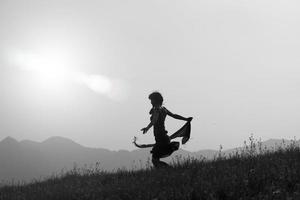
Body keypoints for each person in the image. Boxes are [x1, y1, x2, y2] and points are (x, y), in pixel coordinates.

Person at [134, 91, 193, 168]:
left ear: (156, 100)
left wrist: (147, 128)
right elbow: (174, 115)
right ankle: (169, 171)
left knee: (155, 161)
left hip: (161, 138)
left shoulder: (157, 109)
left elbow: (154, 121)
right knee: (155, 160)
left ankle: (170, 170)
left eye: (152, 100)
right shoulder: (163, 109)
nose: (151, 102)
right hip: (163, 137)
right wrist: (185, 119)